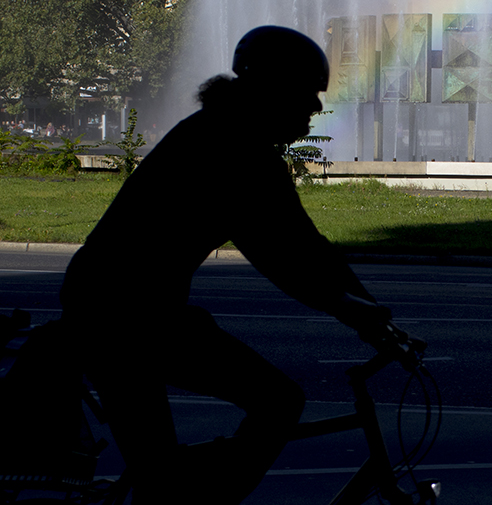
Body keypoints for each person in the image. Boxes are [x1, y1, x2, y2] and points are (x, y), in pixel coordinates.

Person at [59, 26, 386, 504]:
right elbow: (279, 252)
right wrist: (352, 308)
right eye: (307, 93)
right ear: (272, 89)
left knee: (167, 468)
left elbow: (305, 244)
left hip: (132, 310)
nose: (316, 108)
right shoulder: (231, 146)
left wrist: (368, 307)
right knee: (277, 402)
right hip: (120, 317)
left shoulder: (233, 133)